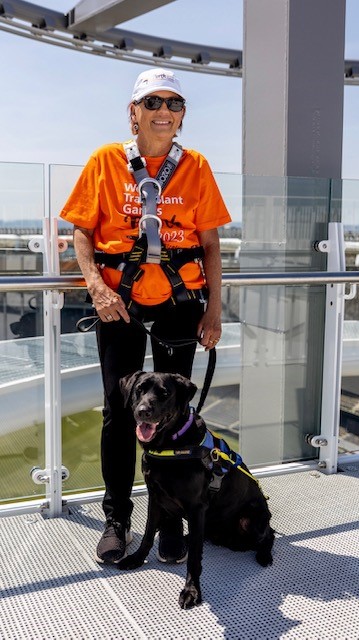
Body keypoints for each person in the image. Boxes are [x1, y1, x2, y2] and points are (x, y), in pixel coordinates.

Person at [60, 67, 231, 564]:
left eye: (174, 104)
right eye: (153, 102)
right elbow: (82, 232)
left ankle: (173, 520)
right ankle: (117, 519)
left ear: (182, 118)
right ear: (132, 113)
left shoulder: (195, 166)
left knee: (173, 413)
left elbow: (212, 242)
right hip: (119, 305)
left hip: (182, 303)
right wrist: (96, 287)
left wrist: (215, 308)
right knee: (119, 414)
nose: (164, 112)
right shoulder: (105, 162)